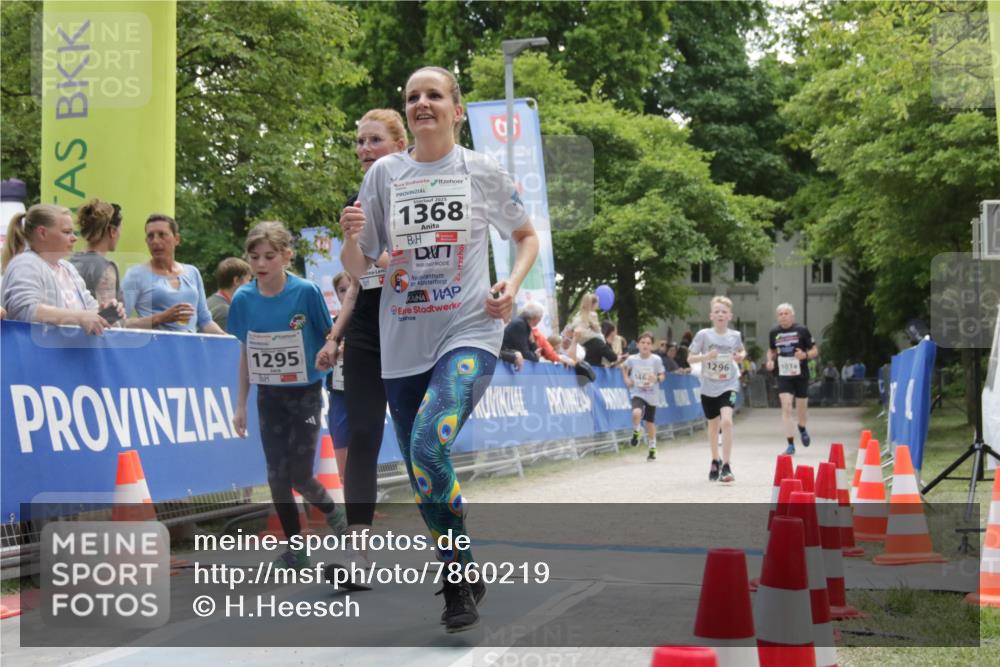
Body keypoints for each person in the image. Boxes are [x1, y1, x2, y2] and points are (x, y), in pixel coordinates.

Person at [340, 65, 538, 633]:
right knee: (425, 470)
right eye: (412, 97)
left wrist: (512, 285)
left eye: (433, 95)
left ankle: (454, 587)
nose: (422, 103)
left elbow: (525, 235)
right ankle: (462, 565)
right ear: (406, 112)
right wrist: (353, 238)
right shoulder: (384, 177)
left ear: (455, 108)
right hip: (401, 343)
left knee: (430, 445)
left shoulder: (481, 170)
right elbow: (361, 269)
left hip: (471, 330)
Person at [317, 109, 408, 584]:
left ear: (399, 144)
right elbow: (356, 275)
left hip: (417, 319)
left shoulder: (419, 186)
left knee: (423, 440)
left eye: (374, 140)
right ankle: (358, 556)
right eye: (359, 141)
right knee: (364, 437)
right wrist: (336, 336)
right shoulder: (357, 200)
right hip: (370, 325)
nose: (364, 149)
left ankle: (452, 545)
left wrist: (396, 256)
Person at [228, 221, 348, 568]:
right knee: (276, 476)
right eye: (254, 257)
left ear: (286, 256)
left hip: (306, 394)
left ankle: (332, 513)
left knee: (298, 472)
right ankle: (297, 549)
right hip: (270, 396)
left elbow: (330, 336)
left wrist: (331, 351)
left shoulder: (306, 292)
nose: (261, 264)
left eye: (269, 256)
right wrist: (240, 404)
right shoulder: (244, 299)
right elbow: (246, 352)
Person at [1, 204, 119, 334]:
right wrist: (79, 317)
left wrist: (106, 313)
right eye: (67, 232)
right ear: (42, 233)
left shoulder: (68, 268)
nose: (74, 238)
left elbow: (88, 310)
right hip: (35, 353)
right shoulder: (25, 264)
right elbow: (25, 309)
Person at [122, 214, 225, 334]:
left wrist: (231, 342)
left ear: (177, 239)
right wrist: (159, 318)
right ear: (146, 241)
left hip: (189, 349)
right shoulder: (135, 274)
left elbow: (205, 322)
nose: (155, 241)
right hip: (154, 349)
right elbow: (118, 321)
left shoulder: (192, 272)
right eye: (150, 236)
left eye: (162, 235)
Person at [687, 296, 745, 483]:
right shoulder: (704, 335)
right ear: (711, 315)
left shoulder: (735, 336)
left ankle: (727, 466)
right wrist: (706, 357)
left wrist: (739, 357)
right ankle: (715, 459)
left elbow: (742, 351)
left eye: (724, 312)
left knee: (726, 421)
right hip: (708, 386)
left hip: (729, 384)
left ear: (730, 316)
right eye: (717, 311)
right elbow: (690, 358)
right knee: (713, 425)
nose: (720, 314)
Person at [766, 303, 818, 455]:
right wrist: (770, 360)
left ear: (792, 315)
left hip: (801, 374)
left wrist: (805, 355)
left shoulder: (802, 330)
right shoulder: (774, 332)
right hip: (783, 375)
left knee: (801, 408)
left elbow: (815, 350)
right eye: (780, 314)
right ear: (777, 317)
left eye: (786, 313)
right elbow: (771, 350)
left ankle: (802, 427)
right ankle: (790, 444)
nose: (783, 316)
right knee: (787, 406)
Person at [324, 271, 355, 486]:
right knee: (341, 440)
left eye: (350, 287)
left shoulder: (371, 321)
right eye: (341, 290)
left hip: (364, 391)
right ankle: (345, 490)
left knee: (362, 440)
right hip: (339, 392)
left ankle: (363, 496)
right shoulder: (333, 325)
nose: (346, 294)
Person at [69, 199, 124, 308]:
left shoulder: (69, 262)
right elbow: (109, 317)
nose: (120, 234)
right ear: (113, 231)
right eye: (119, 229)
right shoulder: (106, 268)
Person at [623, 332, 666, 461]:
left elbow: (663, 375)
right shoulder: (632, 359)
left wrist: (656, 378)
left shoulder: (656, 360)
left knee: (649, 423)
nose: (645, 345)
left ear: (652, 346)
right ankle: (637, 431)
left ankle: (652, 447)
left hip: (652, 394)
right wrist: (627, 379)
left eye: (648, 343)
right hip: (638, 392)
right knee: (636, 413)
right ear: (637, 344)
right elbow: (624, 367)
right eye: (643, 342)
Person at [206, 257, 251, 330]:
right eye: (248, 280)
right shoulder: (226, 312)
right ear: (236, 280)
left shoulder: (209, 302)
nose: (250, 285)